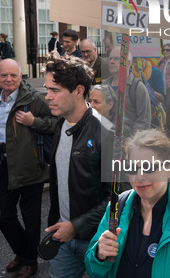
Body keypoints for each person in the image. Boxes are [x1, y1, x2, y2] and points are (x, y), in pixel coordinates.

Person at [84, 129, 170, 278]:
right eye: (132, 168)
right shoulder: (116, 208)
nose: (139, 176)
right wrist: (99, 255)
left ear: (169, 168)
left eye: (148, 167)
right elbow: (94, 270)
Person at [0, 59, 56, 278]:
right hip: (2, 164)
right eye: (4, 75)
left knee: (31, 218)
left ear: (20, 75)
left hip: (30, 166)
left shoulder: (33, 99)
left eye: (13, 75)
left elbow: (56, 122)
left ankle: (30, 261)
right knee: (3, 215)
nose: (9, 79)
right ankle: (24, 251)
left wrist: (34, 121)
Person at [43, 56, 114, 278]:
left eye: (55, 90)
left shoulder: (106, 133)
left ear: (78, 90)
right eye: (47, 89)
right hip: (62, 236)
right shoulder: (60, 124)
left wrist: (77, 225)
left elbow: (118, 197)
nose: (48, 97)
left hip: (97, 239)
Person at [103, 47, 151, 134]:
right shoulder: (104, 86)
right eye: (110, 58)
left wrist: (128, 140)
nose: (112, 61)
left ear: (127, 63)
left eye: (117, 59)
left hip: (127, 143)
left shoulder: (137, 87)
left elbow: (144, 121)